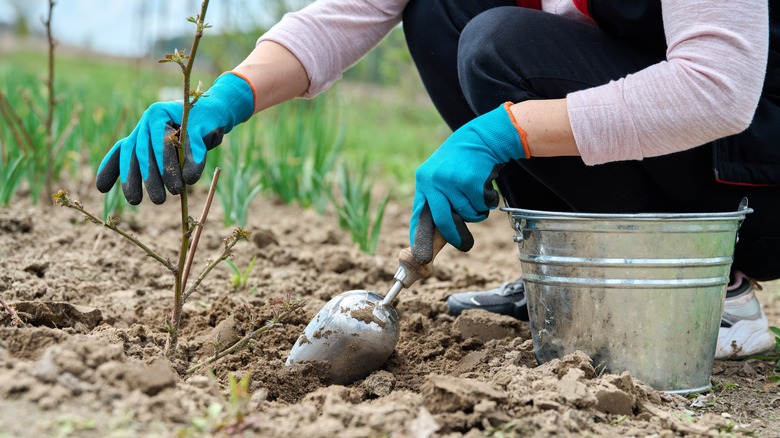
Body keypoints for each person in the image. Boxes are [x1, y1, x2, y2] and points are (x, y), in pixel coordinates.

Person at [96, 1, 779, 359]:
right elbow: (345, 14)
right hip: (682, 143)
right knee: (441, 11)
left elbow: (717, 88)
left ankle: (705, 290)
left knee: (498, 47)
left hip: (752, 176)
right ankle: (575, 276)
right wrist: (221, 100)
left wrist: (505, 131)